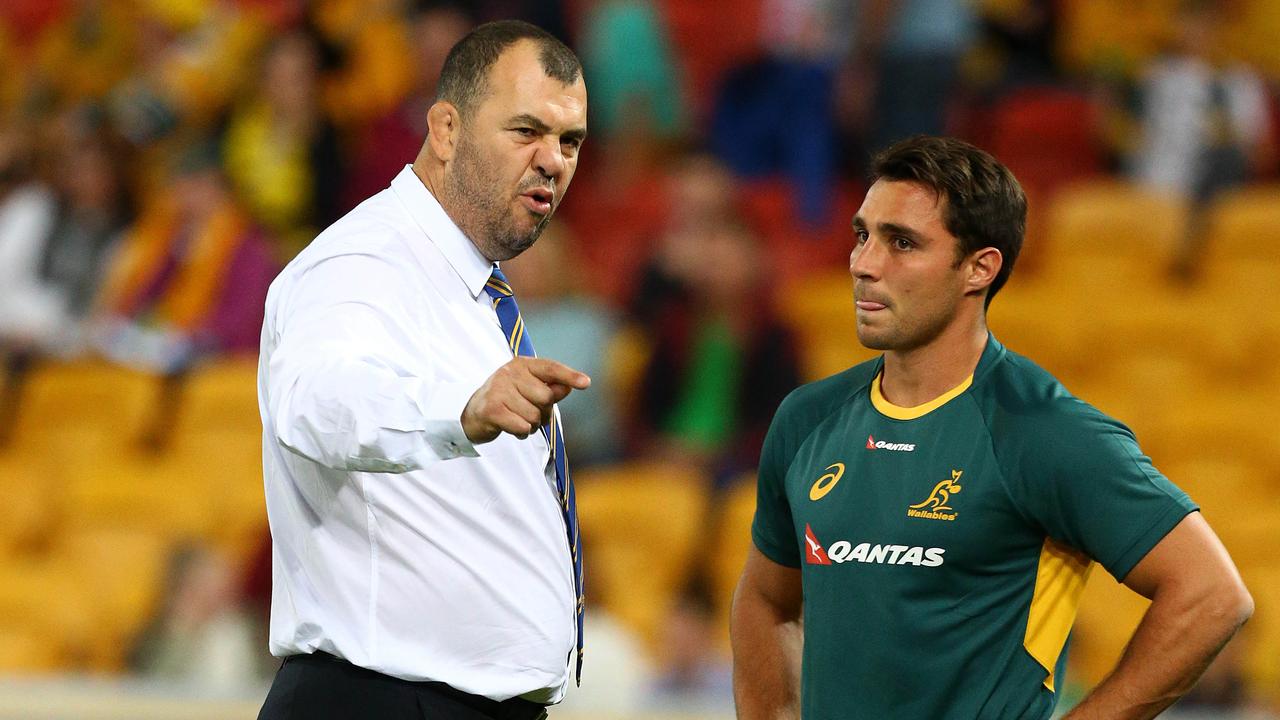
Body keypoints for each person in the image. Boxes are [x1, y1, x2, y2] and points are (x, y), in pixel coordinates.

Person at [730, 135, 1253, 720]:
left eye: (902, 243)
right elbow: (766, 599)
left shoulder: (1043, 430)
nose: (863, 264)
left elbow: (1211, 596)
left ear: (980, 268)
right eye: (863, 235)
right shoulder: (807, 418)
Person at [256, 20, 590, 720]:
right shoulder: (364, 264)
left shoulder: (465, 285)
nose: (553, 160)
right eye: (526, 130)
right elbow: (318, 403)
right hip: (380, 700)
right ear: (445, 129)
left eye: (570, 141)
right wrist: (460, 409)